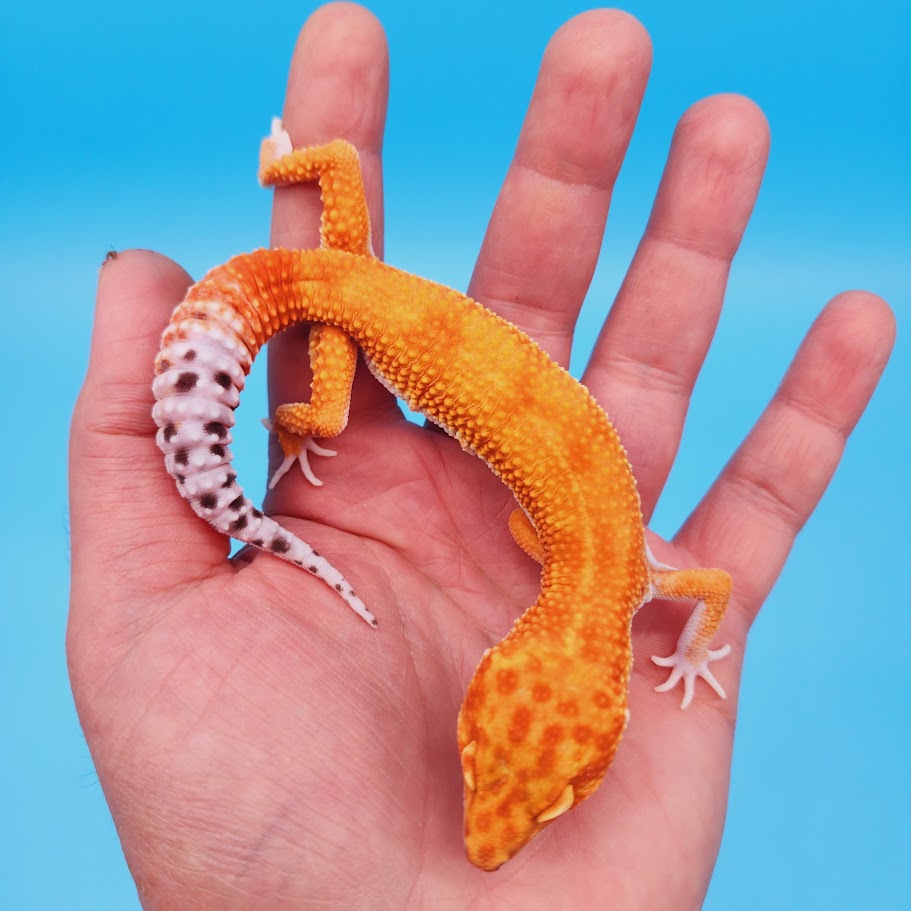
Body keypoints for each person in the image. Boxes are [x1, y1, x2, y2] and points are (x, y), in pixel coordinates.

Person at [67, 4, 894, 908]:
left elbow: (686, 584)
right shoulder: (622, 580)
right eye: (546, 794)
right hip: (345, 311)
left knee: (335, 169)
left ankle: (281, 165)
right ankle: (301, 399)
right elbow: (570, 543)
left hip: (360, 288)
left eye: (483, 762)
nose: (490, 836)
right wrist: (689, 655)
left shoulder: (639, 578)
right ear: (590, 708)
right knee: (331, 411)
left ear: (503, 662)